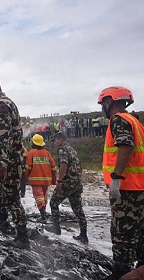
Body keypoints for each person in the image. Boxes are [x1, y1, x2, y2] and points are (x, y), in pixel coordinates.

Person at [97, 86, 144, 280]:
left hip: (127, 191)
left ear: (110, 102)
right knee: (140, 235)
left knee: (122, 237)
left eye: (102, 105)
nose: (102, 109)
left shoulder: (118, 120)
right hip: (140, 188)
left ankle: (122, 273)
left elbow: (126, 145)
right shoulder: (135, 121)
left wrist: (116, 178)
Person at [0, 77, 30, 249]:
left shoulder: (2, 106)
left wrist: (2, 163)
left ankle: (22, 237)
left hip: (9, 160)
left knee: (12, 197)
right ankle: (3, 220)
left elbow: (4, 137)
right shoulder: (3, 104)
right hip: (4, 159)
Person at [48, 132, 88, 244]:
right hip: (76, 183)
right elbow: (79, 166)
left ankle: (56, 229)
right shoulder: (72, 150)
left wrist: (59, 181)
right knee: (77, 207)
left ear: (60, 139)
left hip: (67, 182)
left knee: (53, 202)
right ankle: (84, 234)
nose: (54, 143)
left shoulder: (62, 150)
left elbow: (64, 164)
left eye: (55, 140)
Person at [25, 134, 57, 223]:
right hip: (46, 180)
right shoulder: (47, 153)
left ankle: (43, 217)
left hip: (36, 180)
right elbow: (54, 167)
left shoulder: (31, 153)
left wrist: (25, 179)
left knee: (39, 197)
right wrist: (54, 180)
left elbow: (28, 167)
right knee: (44, 196)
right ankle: (44, 213)